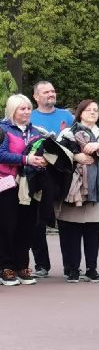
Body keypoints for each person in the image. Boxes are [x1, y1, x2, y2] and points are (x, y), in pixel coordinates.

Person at [55, 100, 99, 282]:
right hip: (72, 190)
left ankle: (92, 268)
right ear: (80, 113)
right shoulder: (67, 132)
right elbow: (56, 155)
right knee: (71, 231)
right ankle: (73, 269)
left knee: (92, 231)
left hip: (96, 190)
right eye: (88, 109)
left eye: (96, 110)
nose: (92, 112)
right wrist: (76, 156)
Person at [0, 95, 49, 286]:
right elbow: (1, 154)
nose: (27, 112)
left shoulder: (36, 131)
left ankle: (22, 266)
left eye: (29, 108)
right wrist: (26, 160)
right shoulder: (3, 129)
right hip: (7, 184)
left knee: (27, 226)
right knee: (7, 226)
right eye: (22, 109)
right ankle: (5, 267)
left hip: (30, 184)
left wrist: (44, 160)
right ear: (12, 110)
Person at [27, 80, 72, 278]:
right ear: (36, 97)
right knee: (37, 222)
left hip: (62, 175)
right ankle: (41, 265)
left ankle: (71, 267)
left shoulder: (67, 116)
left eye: (53, 91)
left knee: (66, 221)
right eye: (46, 92)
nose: (51, 94)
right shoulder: (30, 115)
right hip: (38, 174)